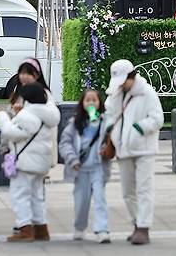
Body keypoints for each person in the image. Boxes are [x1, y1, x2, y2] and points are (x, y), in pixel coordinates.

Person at [104, 60, 164, 245]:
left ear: (132, 76)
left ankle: (143, 228)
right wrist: (110, 131)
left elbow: (157, 119)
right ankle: (137, 223)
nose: (122, 85)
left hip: (144, 148)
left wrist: (138, 128)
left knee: (144, 189)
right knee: (127, 191)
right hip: (123, 147)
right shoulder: (116, 93)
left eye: (124, 80)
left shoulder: (147, 93)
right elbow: (109, 115)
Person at [0, 83, 60, 242]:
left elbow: (12, 133)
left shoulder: (27, 115)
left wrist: (3, 119)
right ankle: (41, 229)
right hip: (40, 163)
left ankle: (25, 229)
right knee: (37, 196)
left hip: (26, 164)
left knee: (20, 195)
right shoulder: (47, 115)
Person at [59, 89, 112, 244]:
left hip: (98, 167)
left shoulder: (105, 121)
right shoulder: (74, 123)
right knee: (81, 200)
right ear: (82, 103)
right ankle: (79, 227)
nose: (91, 103)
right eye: (87, 100)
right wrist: (72, 159)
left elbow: (112, 139)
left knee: (100, 198)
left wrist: (107, 146)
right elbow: (65, 143)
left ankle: (102, 229)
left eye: (94, 100)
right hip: (80, 168)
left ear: (99, 103)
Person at [13, 58, 59, 168]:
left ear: (37, 75)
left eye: (28, 73)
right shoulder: (18, 92)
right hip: (22, 142)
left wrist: (25, 112)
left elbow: (52, 117)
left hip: (39, 142)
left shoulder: (44, 93)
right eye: (22, 73)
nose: (24, 76)